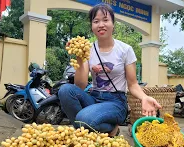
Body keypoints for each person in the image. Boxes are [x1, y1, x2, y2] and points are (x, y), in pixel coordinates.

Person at [58, 4, 162, 137]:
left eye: (105, 20)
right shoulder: (87, 49)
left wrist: (144, 97)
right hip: (94, 97)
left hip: (116, 102)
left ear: (113, 24)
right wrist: (79, 58)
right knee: (65, 90)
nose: (101, 24)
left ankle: (99, 127)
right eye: (96, 21)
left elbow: (133, 84)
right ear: (92, 26)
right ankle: (98, 129)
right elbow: (80, 85)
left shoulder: (125, 50)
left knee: (83, 118)